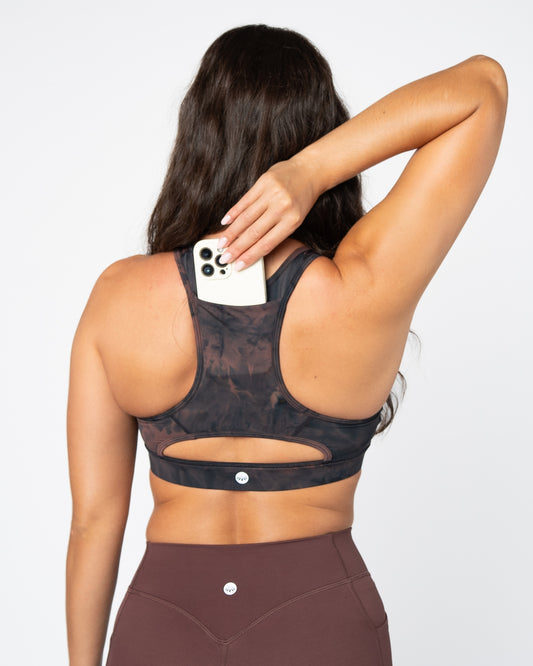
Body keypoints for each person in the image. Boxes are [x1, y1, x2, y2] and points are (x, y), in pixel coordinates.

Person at [65, 24, 507, 666]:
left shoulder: (119, 296)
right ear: (322, 132)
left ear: (198, 139)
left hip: (163, 626)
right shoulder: (362, 285)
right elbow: (483, 87)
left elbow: (93, 521)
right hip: (320, 624)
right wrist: (310, 171)